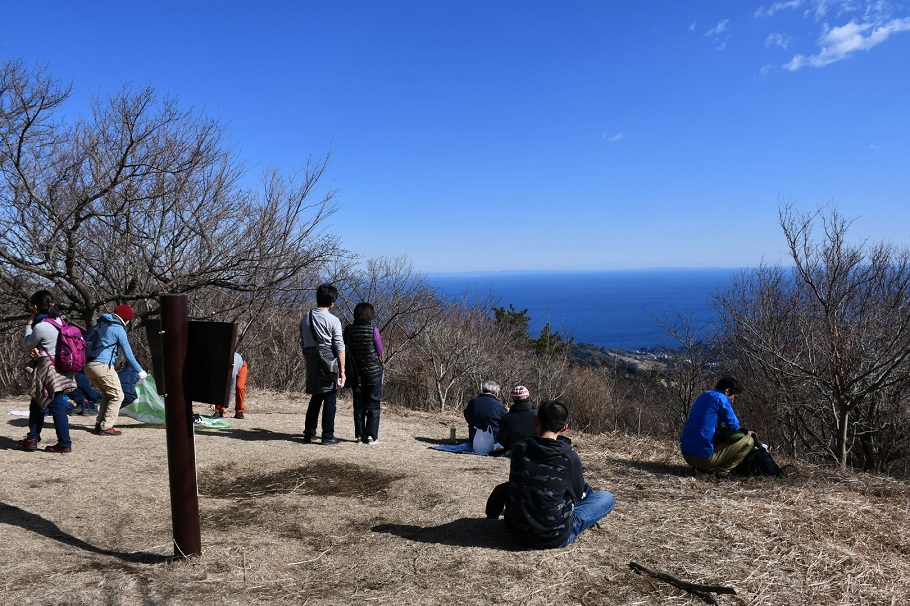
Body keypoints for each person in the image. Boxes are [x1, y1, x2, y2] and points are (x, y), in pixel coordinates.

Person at [487, 400, 615, 548]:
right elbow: (577, 494)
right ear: (565, 427)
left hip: (516, 532)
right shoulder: (569, 457)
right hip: (554, 537)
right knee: (606, 497)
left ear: (536, 420)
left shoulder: (519, 449)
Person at [20, 290, 77, 453]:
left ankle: (64, 443)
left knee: (56, 404)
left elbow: (27, 343)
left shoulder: (42, 326)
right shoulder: (60, 321)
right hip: (61, 365)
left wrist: (28, 325)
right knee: (38, 401)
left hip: (47, 367)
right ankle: (32, 436)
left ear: (36, 307)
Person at [83, 303, 148, 436]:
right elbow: (128, 354)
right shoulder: (118, 329)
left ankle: (99, 423)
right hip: (102, 366)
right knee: (118, 395)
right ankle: (106, 427)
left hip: (88, 366)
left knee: (109, 394)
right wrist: (139, 370)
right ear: (127, 319)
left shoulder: (101, 324)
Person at [680, 376, 756, 476]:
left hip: (686, 454)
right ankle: (721, 472)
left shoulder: (705, 395)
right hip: (703, 459)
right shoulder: (722, 399)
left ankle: (700, 468)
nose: (733, 400)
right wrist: (747, 432)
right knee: (748, 441)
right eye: (735, 396)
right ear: (728, 391)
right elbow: (734, 427)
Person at [299, 283, 346, 444]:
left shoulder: (306, 317)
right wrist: (342, 370)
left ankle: (309, 433)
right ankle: (327, 435)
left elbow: (302, 341)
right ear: (332, 301)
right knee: (330, 396)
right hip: (328, 359)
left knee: (316, 396)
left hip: (311, 359)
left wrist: (309, 357)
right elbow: (339, 346)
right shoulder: (333, 320)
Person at [344, 302, 384, 444]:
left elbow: (344, 349)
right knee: (373, 404)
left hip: (356, 373)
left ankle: (360, 436)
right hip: (373, 373)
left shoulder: (348, 330)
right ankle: (371, 436)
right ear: (370, 315)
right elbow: (380, 351)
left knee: (359, 405)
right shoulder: (373, 330)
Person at [496, 385, 538, 451]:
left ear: (513, 399)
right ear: (528, 397)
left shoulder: (507, 418)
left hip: (514, 449)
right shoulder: (538, 414)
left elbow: (501, 438)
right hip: (535, 448)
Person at [212, 352, 248, 419]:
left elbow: (231, 388)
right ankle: (218, 411)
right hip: (233, 364)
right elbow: (215, 385)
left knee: (239, 387)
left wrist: (226, 405)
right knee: (220, 385)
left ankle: (239, 412)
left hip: (242, 366)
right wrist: (212, 402)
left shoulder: (232, 370)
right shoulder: (217, 367)